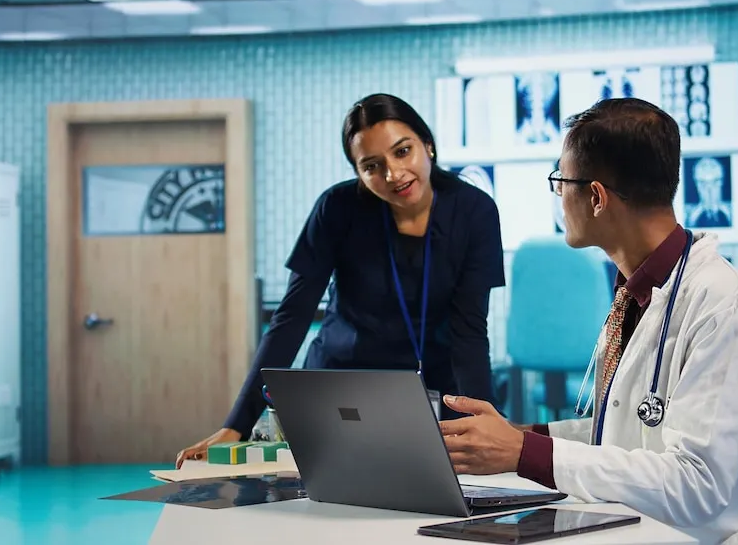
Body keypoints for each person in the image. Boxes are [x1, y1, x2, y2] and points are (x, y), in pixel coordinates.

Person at [438, 98, 738, 545]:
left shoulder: (723, 306)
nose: (559, 197)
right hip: (630, 524)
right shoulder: (639, 292)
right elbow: (630, 435)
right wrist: (520, 435)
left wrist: (524, 453)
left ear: (596, 197)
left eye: (560, 182)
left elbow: (697, 485)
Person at [176, 93, 507, 468]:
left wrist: (485, 421)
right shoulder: (337, 209)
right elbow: (292, 317)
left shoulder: (474, 211)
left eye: (403, 151)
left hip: (430, 391)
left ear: (427, 144)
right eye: (372, 166)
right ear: (358, 172)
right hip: (339, 389)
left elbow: (469, 332)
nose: (393, 174)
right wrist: (237, 425)